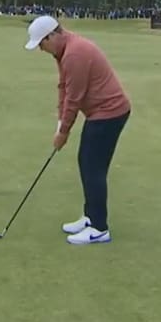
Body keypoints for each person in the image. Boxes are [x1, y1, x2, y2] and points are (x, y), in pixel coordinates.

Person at [24, 15, 132, 245]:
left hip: (109, 113)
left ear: (51, 36)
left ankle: (99, 228)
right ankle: (90, 216)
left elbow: (74, 98)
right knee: (87, 163)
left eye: (41, 43)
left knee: (93, 167)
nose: (41, 49)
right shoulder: (63, 51)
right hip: (101, 113)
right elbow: (64, 87)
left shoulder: (74, 54)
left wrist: (64, 132)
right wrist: (59, 123)